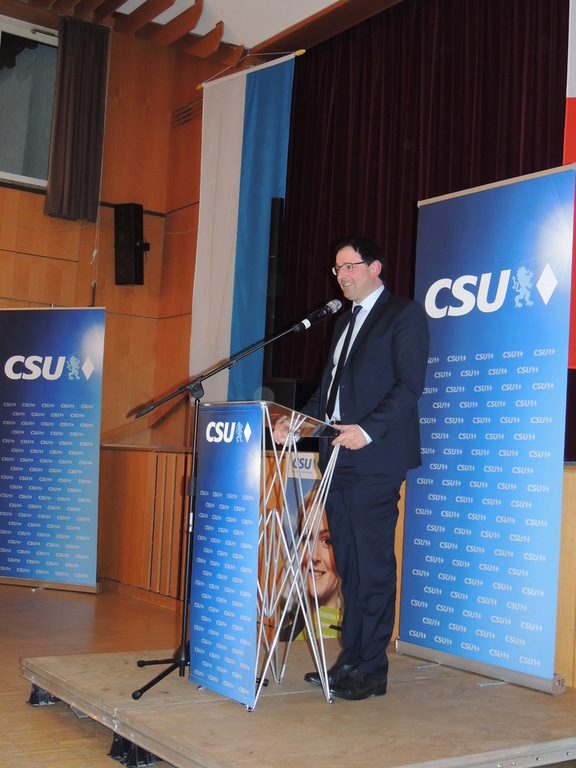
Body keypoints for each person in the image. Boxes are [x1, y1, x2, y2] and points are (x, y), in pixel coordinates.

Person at [274, 236, 429, 701]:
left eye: (349, 266)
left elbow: (409, 385)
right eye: (337, 269)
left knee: (372, 565)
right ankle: (353, 661)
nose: (341, 276)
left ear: (375, 267)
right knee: (351, 565)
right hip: (337, 458)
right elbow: (329, 394)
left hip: (375, 458)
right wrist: (298, 422)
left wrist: (368, 429)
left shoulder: (403, 314)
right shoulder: (344, 321)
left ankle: (372, 667)